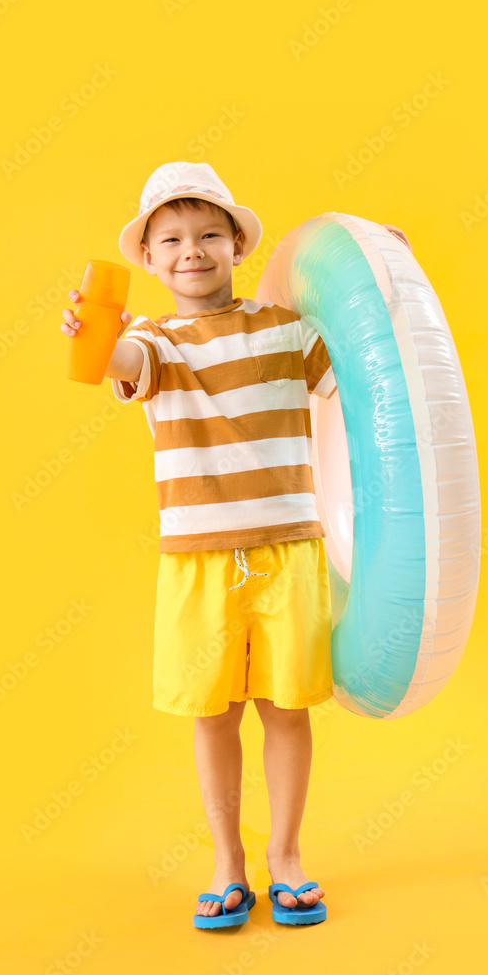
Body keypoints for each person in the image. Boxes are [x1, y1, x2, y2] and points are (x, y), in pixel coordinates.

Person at [60, 161, 411, 927]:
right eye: (173, 239)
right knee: (212, 714)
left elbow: (367, 357)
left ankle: (285, 857)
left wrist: (390, 270)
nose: (193, 249)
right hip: (198, 559)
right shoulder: (152, 342)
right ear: (150, 260)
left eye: (209, 233)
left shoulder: (285, 330)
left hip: (289, 552)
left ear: (236, 246)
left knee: (287, 710)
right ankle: (227, 863)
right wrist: (94, 330)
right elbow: (114, 366)